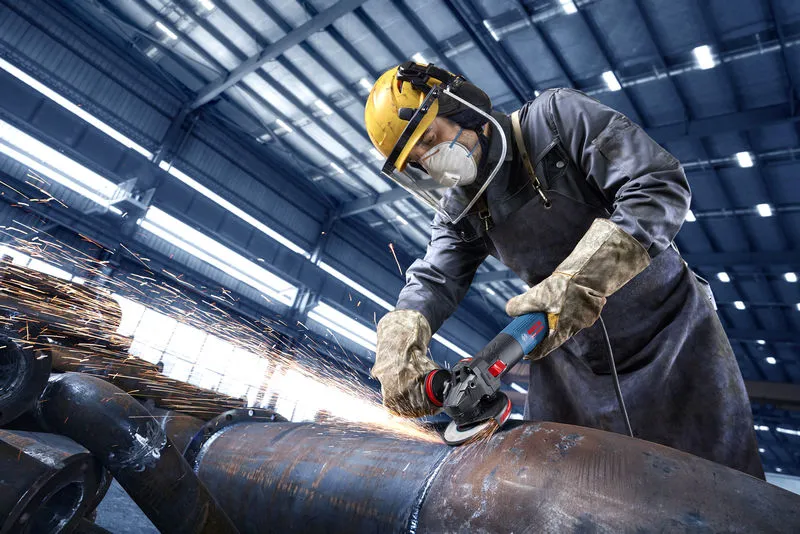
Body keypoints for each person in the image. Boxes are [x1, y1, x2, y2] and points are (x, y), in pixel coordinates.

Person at [363, 61, 764, 478]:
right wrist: (400, 336)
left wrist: (578, 281)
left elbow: (657, 184)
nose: (433, 160)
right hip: (571, 361)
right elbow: (435, 277)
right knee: (564, 487)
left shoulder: (556, 120)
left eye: (430, 138)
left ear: (462, 105)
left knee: (723, 482)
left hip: (674, 336)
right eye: (418, 159)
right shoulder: (461, 210)